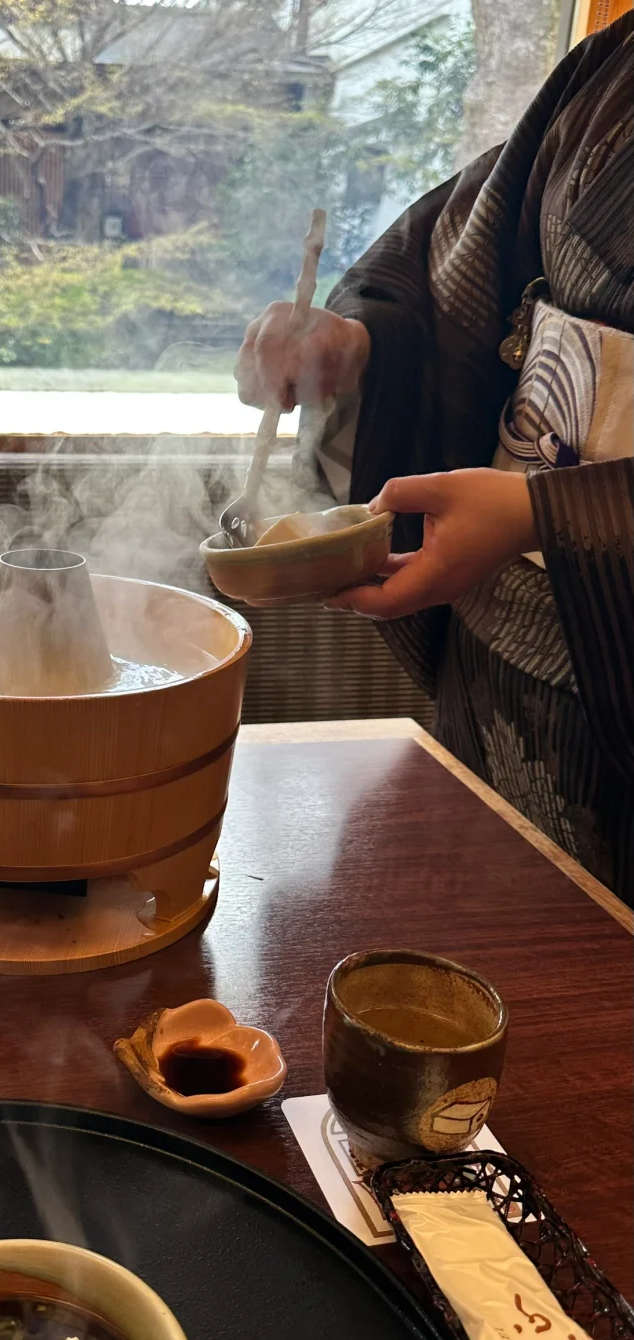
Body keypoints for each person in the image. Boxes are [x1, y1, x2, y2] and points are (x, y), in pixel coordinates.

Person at [235, 12, 634, 907]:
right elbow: (458, 261)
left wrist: (544, 514)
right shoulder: (611, 67)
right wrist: (360, 348)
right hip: (498, 660)